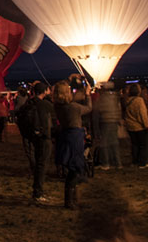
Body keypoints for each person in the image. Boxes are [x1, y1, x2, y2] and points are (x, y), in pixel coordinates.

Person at [53, 78, 91, 209]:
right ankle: (69, 201)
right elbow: (88, 108)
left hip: (65, 135)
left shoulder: (58, 106)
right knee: (74, 168)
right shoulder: (73, 107)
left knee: (71, 167)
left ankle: (73, 199)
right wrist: (87, 95)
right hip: (74, 137)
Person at [20, 81, 53, 203]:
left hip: (34, 137)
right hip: (44, 137)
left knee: (38, 163)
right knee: (42, 165)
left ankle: (37, 190)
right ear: (44, 91)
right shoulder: (45, 104)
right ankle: (38, 192)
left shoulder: (28, 103)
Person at [94, 83, 123, 170]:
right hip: (114, 122)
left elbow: (97, 111)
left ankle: (105, 163)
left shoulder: (101, 99)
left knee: (104, 144)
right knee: (114, 143)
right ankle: (118, 163)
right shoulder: (115, 98)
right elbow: (119, 109)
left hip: (105, 122)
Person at [123, 84, 148, 169]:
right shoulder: (139, 101)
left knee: (135, 145)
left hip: (130, 126)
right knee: (143, 145)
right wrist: (147, 125)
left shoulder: (127, 100)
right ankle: (142, 163)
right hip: (139, 126)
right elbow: (143, 114)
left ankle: (135, 161)